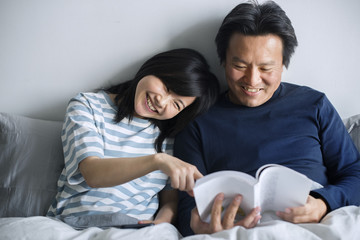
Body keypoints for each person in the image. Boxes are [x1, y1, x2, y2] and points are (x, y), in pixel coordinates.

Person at [174, 0, 360, 236]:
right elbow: (186, 206)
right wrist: (197, 224)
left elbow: (355, 173)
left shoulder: (314, 104)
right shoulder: (197, 121)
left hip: (317, 223)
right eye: (239, 65)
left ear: (283, 65)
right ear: (223, 61)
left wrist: (324, 203)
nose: (252, 80)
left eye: (266, 68)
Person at [46, 48, 219, 229]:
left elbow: (170, 202)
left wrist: (159, 224)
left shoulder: (167, 139)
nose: (162, 102)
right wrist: (157, 161)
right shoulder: (87, 106)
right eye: (167, 87)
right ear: (154, 68)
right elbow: (92, 173)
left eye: (176, 104)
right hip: (75, 226)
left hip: (136, 231)